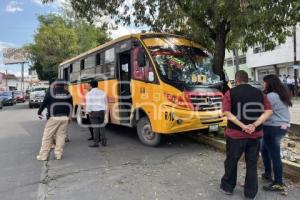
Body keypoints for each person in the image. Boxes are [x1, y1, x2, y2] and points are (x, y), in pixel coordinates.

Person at [220, 70, 273, 199]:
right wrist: (254, 125)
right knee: (252, 163)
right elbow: (269, 111)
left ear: (236, 80)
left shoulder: (230, 93)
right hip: (255, 135)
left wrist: (243, 126)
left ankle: (228, 187)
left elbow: (226, 113)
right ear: (247, 80)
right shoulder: (260, 93)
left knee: (231, 161)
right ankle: (250, 193)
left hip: (235, 135)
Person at [261, 75, 292, 192]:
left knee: (275, 155)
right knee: (264, 149)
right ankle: (268, 173)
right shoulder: (280, 93)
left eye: (264, 83)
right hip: (281, 126)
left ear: (269, 83)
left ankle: (278, 183)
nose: (262, 85)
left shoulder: (271, 96)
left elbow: (262, 111)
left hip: (273, 127)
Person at [37, 80, 73, 160]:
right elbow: (71, 106)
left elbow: (44, 103)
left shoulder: (51, 92)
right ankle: (58, 154)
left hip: (54, 117)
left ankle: (43, 156)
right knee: (61, 136)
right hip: (65, 117)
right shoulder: (67, 93)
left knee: (47, 136)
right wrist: (69, 117)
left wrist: (39, 112)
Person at [86, 80, 108, 147]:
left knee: (95, 128)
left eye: (89, 85)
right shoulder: (102, 92)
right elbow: (106, 102)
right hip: (102, 111)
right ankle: (104, 142)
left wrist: (89, 112)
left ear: (91, 85)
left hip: (93, 112)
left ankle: (96, 143)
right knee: (102, 127)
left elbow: (89, 104)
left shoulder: (89, 93)